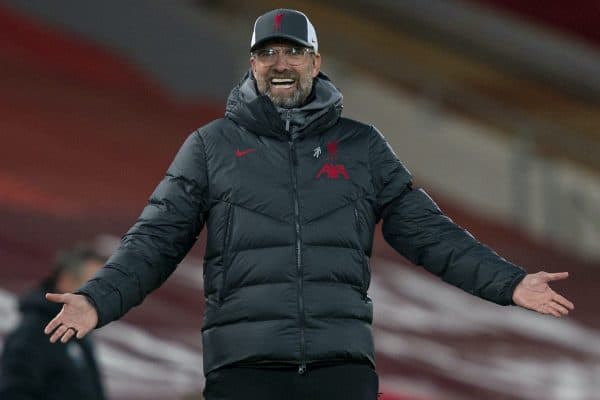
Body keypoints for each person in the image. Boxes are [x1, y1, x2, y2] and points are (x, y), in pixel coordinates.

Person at [43, 9, 574, 400]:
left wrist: (508, 282)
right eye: (267, 52)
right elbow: (155, 240)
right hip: (243, 370)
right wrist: (97, 299)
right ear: (251, 63)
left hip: (339, 371)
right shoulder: (210, 147)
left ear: (316, 62)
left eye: (293, 51)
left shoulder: (363, 147)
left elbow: (429, 233)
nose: (280, 63)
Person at [0, 244, 106, 400]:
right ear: (66, 280)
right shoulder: (32, 335)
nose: (102, 295)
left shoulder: (75, 329)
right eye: (95, 285)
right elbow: (13, 392)